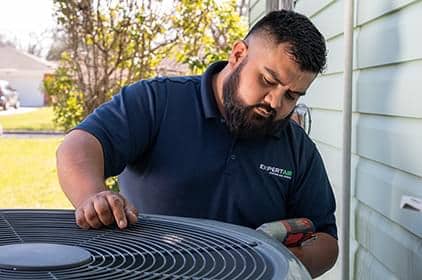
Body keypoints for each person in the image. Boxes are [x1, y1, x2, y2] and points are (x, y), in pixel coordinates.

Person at [57, 10, 338, 278]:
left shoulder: (297, 147)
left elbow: (326, 240)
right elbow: (79, 146)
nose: (275, 102)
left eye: (291, 96)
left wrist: (276, 261)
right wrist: (92, 196)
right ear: (238, 55)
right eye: (267, 80)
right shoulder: (158, 102)